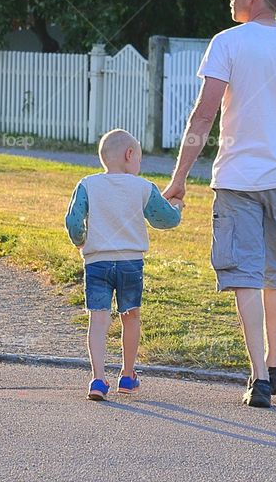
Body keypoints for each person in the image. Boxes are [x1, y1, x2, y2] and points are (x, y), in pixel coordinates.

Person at [163, 0, 276, 408]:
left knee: (245, 275)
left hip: (236, 179)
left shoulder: (227, 43)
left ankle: (258, 378)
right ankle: (274, 362)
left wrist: (179, 179)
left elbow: (203, 115)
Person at [65, 128, 183, 401]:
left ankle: (97, 379)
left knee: (98, 319)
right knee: (131, 317)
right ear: (130, 155)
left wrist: (81, 241)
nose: (139, 165)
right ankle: (127, 376)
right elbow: (164, 219)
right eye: (139, 159)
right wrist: (177, 208)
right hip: (131, 263)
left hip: (97, 263)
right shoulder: (142, 187)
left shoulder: (87, 184)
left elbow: (72, 221)